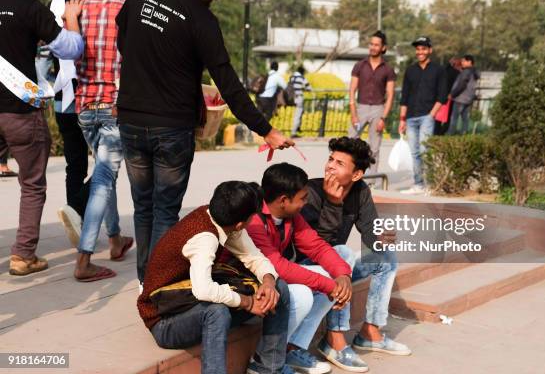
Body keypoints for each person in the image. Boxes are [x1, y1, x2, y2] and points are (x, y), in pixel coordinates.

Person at [115, 0, 293, 284]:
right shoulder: (201, 19)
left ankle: (143, 279)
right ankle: (156, 284)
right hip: (172, 128)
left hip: (132, 120)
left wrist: (148, 69)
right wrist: (266, 129)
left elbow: (124, 38)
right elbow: (228, 83)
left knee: (143, 206)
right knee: (165, 209)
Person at [138, 181, 293, 374]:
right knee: (216, 311)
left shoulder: (221, 219)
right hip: (165, 321)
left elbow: (253, 257)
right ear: (240, 223)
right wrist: (246, 302)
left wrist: (269, 282)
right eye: (252, 217)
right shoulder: (204, 238)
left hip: (189, 303)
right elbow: (204, 290)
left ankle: (268, 368)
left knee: (279, 287)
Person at [0, 0, 84, 276]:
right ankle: (23, 256)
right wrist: (72, 20)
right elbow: (71, 48)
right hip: (20, 113)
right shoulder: (31, 9)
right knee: (32, 184)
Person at [301, 137, 412, 371]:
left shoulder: (360, 191)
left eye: (340, 163)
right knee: (340, 253)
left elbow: (370, 230)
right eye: (331, 159)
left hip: (339, 268)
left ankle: (370, 333)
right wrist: (332, 203)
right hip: (308, 267)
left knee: (385, 258)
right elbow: (314, 247)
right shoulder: (310, 191)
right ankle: (334, 339)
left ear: (356, 175)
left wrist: (382, 239)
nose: (330, 165)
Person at [246, 163, 354, 374]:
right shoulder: (254, 219)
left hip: (276, 283)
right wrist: (329, 285)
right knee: (306, 294)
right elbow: (277, 266)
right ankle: (262, 362)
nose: (306, 203)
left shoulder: (291, 216)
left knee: (332, 279)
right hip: (252, 290)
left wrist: (342, 275)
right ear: (283, 201)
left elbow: (316, 246)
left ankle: (289, 349)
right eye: (303, 198)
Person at [71, 0, 133, 282]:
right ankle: (84, 258)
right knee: (104, 179)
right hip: (113, 106)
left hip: (84, 106)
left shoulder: (75, 9)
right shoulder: (125, 8)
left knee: (102, 173)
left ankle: (115, 239)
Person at [55, 0, 110, 248]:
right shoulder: (109, 4)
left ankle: (77, 219)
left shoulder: (58, 3)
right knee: (106, 167)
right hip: (94, 97)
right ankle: (82, 215)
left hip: (63, 98)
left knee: (74, 164)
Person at [398, 37, 447, 194]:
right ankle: (419, 184)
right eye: (418, 49)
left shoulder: (438, 70)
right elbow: (404, 96)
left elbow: (442, 95)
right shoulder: (410, 70)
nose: (420, 52)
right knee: (414, 152)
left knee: (425, 150)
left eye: (423, 49)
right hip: (411, 117)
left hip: (427, 116)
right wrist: (402, 119)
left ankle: (430, 184)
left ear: (430, 50)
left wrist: (432, 114)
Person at [348, 31, 396, 174]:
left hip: (378, 109)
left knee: (374, 148)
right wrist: (353, 113)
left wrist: (383, 118)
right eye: (371, 44)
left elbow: (391, 95)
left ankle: (373, 181)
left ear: (383, 48)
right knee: (350, 142)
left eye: (376, 45)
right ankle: (349, 174)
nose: (373, 47)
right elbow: (352, 90)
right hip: (360, 108)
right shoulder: (359, 65)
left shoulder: (388, 69)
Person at [448, 55, 480, 135]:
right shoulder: (474, 72)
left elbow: (462, 85)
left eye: (463, 61)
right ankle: (464, 135)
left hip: (460, 98)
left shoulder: (466, 72)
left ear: (469, 62)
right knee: (465, 119)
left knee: (454, 119)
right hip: (469, 99)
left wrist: (452, 94)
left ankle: (449, 135)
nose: (461, 62)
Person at [434, 57, 462, 136]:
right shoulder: (457, 73)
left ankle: (436, 133)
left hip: (439, 96)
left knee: (437, 117)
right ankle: (442, 133)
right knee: (449, 117)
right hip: (450, 97)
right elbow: (458, 86)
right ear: (457, 65)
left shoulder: (442, 70)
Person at [289, 66, 311, 138]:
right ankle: (294, 132)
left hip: (291, 98)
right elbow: (309, 88)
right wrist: (304, 89)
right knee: (298, 115)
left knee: (298, 113)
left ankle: (297, 128)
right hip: (298, 97)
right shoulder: (301, 78)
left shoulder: (292, 77)